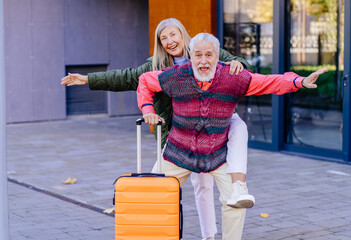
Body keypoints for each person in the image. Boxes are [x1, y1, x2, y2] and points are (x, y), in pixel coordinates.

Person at [61, 18, 252, 240]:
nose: (170, 41)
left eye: (173, 34)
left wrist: (240, 64)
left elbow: (240, 67)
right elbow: (126, 77)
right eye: (164, 38)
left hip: (211, 136)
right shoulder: (157, 65)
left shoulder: (202, 50)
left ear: (182, 34)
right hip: (177, 138)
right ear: (160, 43)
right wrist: (86, 79)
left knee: (208, 186)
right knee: (167, 189)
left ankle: (213, 233)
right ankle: (180, 234)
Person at [137, 32, 327, 240]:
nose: (203, 61)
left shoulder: (233, 77)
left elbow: (269, 82)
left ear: (218, 57)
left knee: (236, 202)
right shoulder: (175, 75)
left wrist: (299, 81)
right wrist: (147, 109)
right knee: (152, 197)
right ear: (191, 56)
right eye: (198, 55)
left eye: (209, 55)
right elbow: (145, 81)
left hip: (217, 154)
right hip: (178, 152)